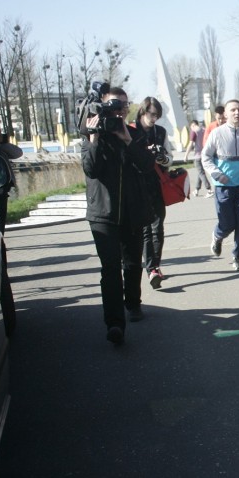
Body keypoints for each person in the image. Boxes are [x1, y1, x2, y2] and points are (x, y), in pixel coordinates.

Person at [81, 86, 155, 345]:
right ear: (102, 107)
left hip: (132, 211)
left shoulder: (134, 134)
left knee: (133, 263)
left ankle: (133, 303)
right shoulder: (92, 134)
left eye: (124, 106)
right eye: (114, 106)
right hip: (103, 212)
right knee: (110, 269)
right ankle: (114, 324)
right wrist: (93, 138)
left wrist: (127, 139)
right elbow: (91, 169)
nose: (119, 111)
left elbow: (147, 167)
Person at [202, 99, 239, 271]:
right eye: (233, 110)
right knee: (228, 223)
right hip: (223, 186)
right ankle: (218, 236)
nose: (237, 113)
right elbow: (205, 157)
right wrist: (217, 174)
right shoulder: (217, 133)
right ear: (226, 114)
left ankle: (238, 256)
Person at [131, 97, 173, 290]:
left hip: (156, 184)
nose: (154, 118)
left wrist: (162, 157)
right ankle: (151, 268)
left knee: (158, 227)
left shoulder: (160, 132)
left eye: (157, 115)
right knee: (146, 229)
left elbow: (169, 159)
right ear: (142, 111)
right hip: (137, 185)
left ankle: (154, 267)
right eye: (151, 114)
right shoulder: (130, 130)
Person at [186, 119, 212, 197]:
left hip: (197, 156)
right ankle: (197, 189)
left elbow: (190, 144)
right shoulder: (204, 129)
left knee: (201, 173)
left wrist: (186, 155)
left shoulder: (194, 131)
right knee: (200, 172)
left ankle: (209, 189)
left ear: (192, 125)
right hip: (205, 154)